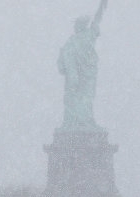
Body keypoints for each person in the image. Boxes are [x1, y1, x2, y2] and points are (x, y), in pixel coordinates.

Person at [57, 0, 107, 129]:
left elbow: (97, 19)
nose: (76, 26)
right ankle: (79, 122)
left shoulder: (86, 36)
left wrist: (102, 6)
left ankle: (83, 122)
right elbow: (62, 64)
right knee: (82, 99)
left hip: (85, 76)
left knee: (85, 99)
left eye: (79, 24)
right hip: (79, 78)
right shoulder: (73, 41)